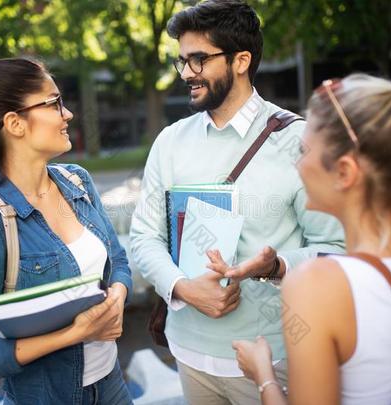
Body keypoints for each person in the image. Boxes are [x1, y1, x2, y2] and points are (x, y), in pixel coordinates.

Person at [129, 1, 344, 403]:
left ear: (241, 60)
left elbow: (338, 250)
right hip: (189, 353)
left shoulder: (299, 142)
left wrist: (277, 265)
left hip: (273, 358)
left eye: (198, 59)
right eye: (182, 61)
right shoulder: (170, 141)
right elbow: (144, 236)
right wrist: (183, 288)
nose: (187, 73)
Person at [225, 69, 391, 404]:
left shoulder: (316, 285)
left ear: (344, 172)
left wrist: (263, 376)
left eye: (303, 151)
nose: (297, 166)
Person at [0, 57, 133, 404]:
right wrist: (74, 334)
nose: (68, 113)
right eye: (54, 102)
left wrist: (116, 298)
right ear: (15, 123)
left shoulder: (78, 181)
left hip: (113, 387)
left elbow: (118, 261)